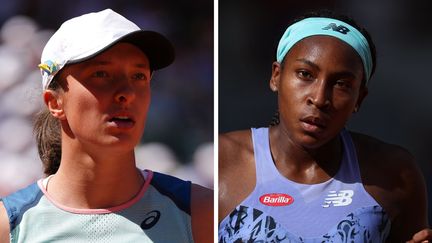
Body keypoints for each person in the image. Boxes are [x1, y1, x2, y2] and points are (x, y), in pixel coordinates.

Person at [0, 9, 213, 242]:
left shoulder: (204, 215)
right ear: (55, 102)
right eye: (101, 74)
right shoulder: (8, 226)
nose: (127, 93)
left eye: (139, 76)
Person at [219, 10, 431, 242]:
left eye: (341, 84)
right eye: (305, 74)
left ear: (359, 98)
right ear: (276, 76)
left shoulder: (396, 174)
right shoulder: (222, 162)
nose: (319, 98)